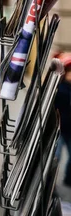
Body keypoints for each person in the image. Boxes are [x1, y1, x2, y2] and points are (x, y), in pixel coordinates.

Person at [55, 52, 71, 186]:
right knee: (55, 156)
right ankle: (49, 185)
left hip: (70, 128)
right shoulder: (58, 88)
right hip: (58, 127)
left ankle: (69, 178)